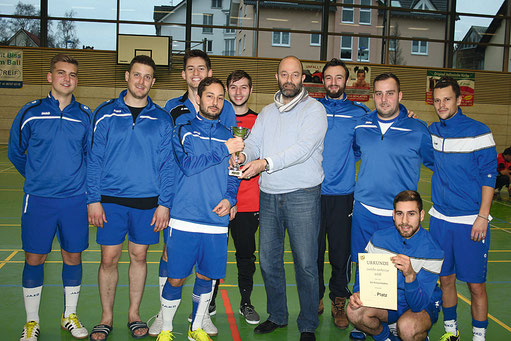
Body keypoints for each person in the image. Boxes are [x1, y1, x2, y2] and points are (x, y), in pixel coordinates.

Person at [237, 55, 328, 341]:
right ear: (277, 77)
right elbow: (252, 143)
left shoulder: (315, 110)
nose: (289, 79)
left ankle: (308, 323)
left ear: (303, 78)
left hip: (303, 196)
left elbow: (302, 149)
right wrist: (244, 154)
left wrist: (264, 163)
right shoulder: (266, 113)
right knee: (268, 260)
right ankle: (277, 315)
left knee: (305, 263)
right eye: (284, 74)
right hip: (270, 196)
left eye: (295, 74)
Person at [149, 49, 236, 337]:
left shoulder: (229, 134)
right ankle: (167, 327)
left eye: (220, 98)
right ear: (198, 98)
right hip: (184, 216)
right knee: (175, 278)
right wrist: (225, 149)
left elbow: (235, 171)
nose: (215, 102)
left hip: (215, 219)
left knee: (206, 277)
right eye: (209, 96)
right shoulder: (183, 128)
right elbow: (187, 165)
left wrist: (231, 198)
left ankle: (196, 328)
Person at [87, 55, 174, 341]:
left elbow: (167, 165)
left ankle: (134, 314)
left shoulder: (161, 119)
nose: (141, 81)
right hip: (110, 200)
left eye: (147, 77)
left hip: (147, 203)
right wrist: (93, 199)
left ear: (153, 81)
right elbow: (94, 158)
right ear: (127, 76)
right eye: (137, 75)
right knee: (109, 258)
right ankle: (106, 317)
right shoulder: (104, 113)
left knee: (139, 256)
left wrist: (164, 204)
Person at [8, 53, 91, 341]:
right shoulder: (29, 112)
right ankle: (32, 321)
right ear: (50, 77)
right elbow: (16, 153)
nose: (67, 79)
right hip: (39, 199)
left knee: (73, 255)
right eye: (61, 73)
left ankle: (69, 315)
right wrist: (36, 176)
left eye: (72, 74)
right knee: (35, 257)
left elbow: (90, 156)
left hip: (74, 200)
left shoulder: (84, 115)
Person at [350, 72, 434, 340]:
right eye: (378, 93)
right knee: (363, 266)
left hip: (398, 218)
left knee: (398, 271)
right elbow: (354, 153)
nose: (383, 99)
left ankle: (402, 321)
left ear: (400, 96)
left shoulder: (418, 129)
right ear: (372, 96)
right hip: (364, 211)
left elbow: (435, 163)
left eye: (389, 93)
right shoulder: (361, 125)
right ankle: (364, 321)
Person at [428, 76, 497, 341]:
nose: (442, 104)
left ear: (459, 100)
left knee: (476, 285)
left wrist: (482, 216)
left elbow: (489, 175)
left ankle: (479, 337)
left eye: (447, 99)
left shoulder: (480, 131)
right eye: (437, 100)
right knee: (446, 279)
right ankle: (451, 333)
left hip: (471, 222)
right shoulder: (433, 131)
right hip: (440, 221)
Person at [347, 190, 444, 341]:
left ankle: (416, 334)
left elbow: (418, 305)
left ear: (422, 215)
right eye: (400, 214)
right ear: (393, 215)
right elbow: (364, 271)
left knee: (407, 327)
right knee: (354, 311)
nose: (404, 221)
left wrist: (410, 275)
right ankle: (386, 337)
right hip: (388, 301)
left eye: (411, 214)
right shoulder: (378, 238)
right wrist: (359, 292)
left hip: (420, 304)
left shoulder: (433, 251)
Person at [317, 58, 370, 329]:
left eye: (339, 77)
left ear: (346, 81)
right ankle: (314, 297)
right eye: (329, 77)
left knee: (340, 253)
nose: (333, 82)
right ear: (322, 80)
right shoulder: (311, 109)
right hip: (311, 193)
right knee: (312, 251)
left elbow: (364, 145)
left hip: (343, 195)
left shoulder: (360, 113)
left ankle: (339, 299)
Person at [207, 70, 261, 325]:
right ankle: (209, 301)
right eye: (233, 87)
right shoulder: (218, 119)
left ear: (251, 90)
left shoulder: (260, 122)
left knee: (245, 256)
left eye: (244, 87)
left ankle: (246, 302)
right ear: (227, 90)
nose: (238, 92)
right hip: (219, 201)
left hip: (250, 203)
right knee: (214, 254)